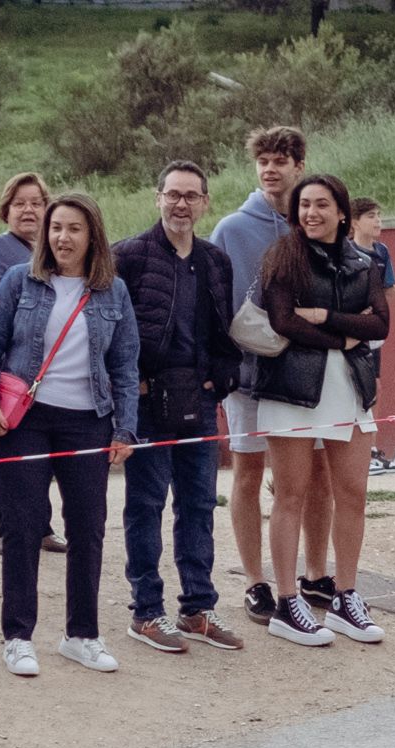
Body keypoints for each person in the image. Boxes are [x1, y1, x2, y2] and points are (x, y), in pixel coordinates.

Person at [0, 193, 139, 678]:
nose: (63, 238)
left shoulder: (114, 292)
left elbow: (125, 366)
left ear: (93, 237)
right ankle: (18, 637)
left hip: (89, 421)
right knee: (22, 528)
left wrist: (125, 429)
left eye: (74, 229)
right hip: (25, 422)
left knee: (87, 529)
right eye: (56, 228)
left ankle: (82, 635)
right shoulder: (18, 281)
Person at [254, 174, 389, 647]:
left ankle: (345, 597)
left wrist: (327, 317)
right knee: (291, 495)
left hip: (349, 389)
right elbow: (283, 321)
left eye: (321, 205)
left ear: (342, 212)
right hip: (291, 389)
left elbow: (382, 323)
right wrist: (347, 337)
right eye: (304, 205)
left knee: (351, 493)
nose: (311, 213)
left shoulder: (364, 261)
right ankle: (288, 602)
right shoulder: (281, 258)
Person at [114, 160, 244, 653]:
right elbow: (109, 332)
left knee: (198, 505)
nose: (181, 204)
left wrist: (224, 373)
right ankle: (146, 613)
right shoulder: (128, 256)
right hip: (147, 402)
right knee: (145, 506)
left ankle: (197, 609)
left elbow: (223, 329)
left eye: (191, 196)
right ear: (158, 198)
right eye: (173, 194)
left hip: (199, 399)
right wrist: (129, 388)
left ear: (205, 203)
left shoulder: (216, 261)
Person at [211, 126, 330, 627]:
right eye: (263, 159)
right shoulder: (232, 229)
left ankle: (316, 574)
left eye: (281, 159)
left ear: (299, 166)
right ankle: (257, 583)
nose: (271, 168)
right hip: (251, 373)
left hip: (313, 374)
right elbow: (220, 308)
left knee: (316, 477)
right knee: (249, 472)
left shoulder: (316, 222)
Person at [0, 172, 64, 556]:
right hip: (10, 369)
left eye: (37, 202)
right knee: (5, 448)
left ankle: (40, 525)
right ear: (6, 210)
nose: (29, 210)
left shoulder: (56, 249)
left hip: (51, 370)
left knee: (46, 450)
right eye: (20, 203)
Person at [348, 196, 395, 475]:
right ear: (354, 222)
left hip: (373, 332)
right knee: (353, 389)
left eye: (380, 215)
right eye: (371, 216)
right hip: (349, 330)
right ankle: (353, 450)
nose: (378, 221)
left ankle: (370, 448)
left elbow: (389, 288)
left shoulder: (381, 251)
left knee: (375, 389)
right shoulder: (344, 251)